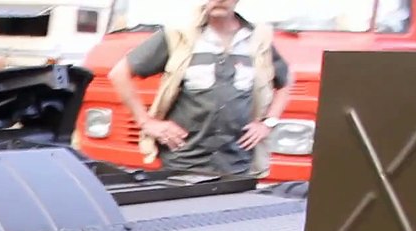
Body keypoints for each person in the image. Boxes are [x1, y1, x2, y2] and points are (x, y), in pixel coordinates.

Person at [108, 0, 294, 178]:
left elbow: (285, 82)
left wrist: (268, 123)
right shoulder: (178, 35)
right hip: (182, 164)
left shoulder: (258, 40)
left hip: (237, 165)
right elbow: (119, 73)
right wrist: (146, 122)